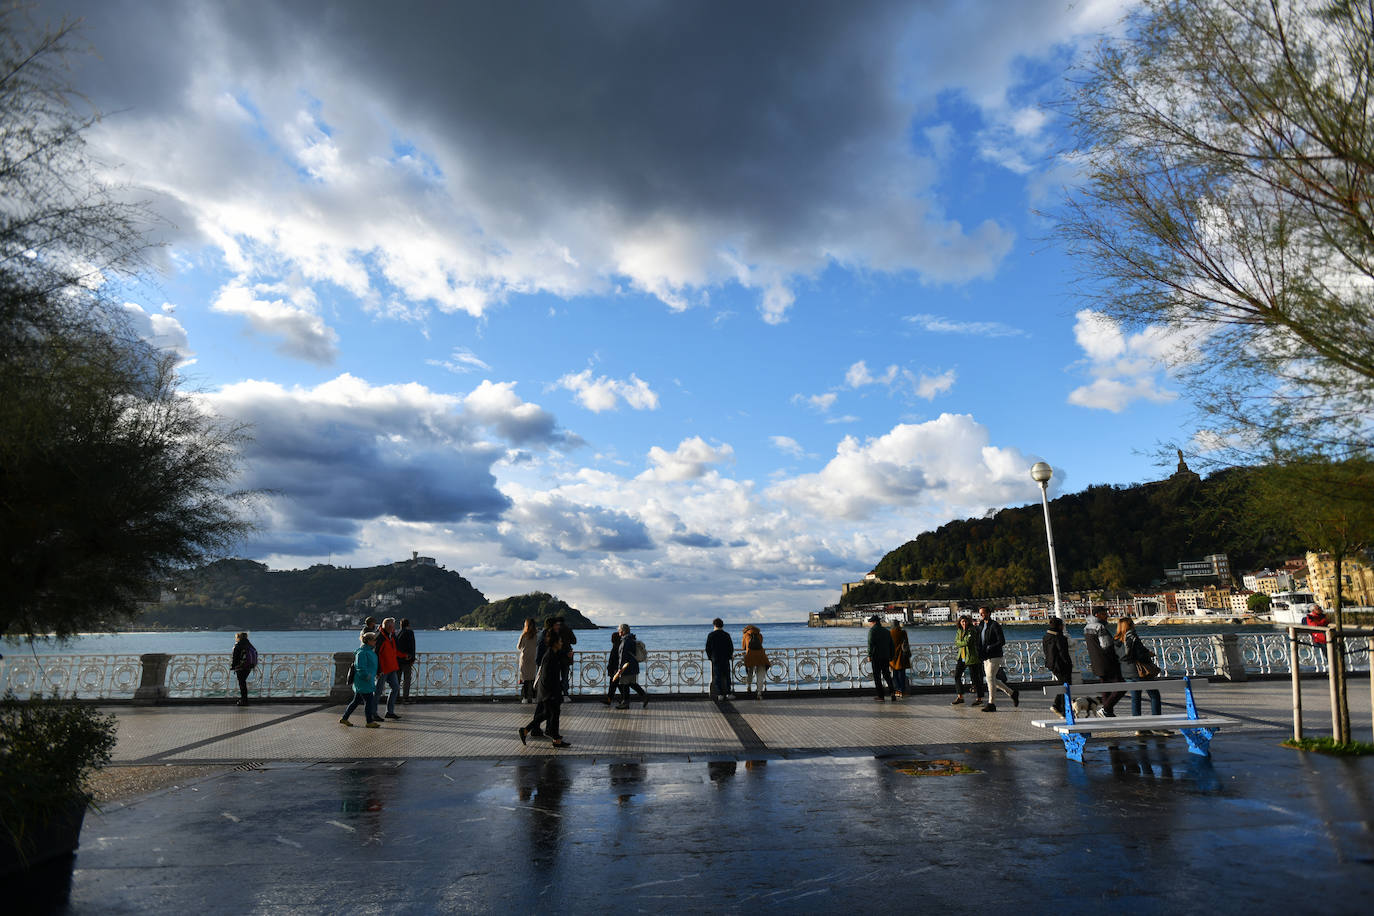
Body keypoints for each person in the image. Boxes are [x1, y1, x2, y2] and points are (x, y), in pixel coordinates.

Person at [520, 625, 570, 747]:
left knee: (549, 714)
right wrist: (551, 694)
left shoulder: (554, 653)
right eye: (560, 641)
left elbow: (561, 657)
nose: (561, 643)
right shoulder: (550, 657)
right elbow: (547, 677)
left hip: (549, 691)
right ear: (555, 643)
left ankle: (526, 730)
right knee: (553, 713)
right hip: (549, 691)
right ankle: (555, 738)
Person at [1117, 617, 1162, 725]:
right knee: (1154, 695)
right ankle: (1158, 724)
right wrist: (1149, 654)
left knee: (1135, 698)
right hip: (1138, 671)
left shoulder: (1116, 640)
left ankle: (1138, 726)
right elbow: (1139, 655)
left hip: (1126, 672)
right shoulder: (1133, 637)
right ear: (1130, 625)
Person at [1083, 606, 1125, 717]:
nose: (1106, 616)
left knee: (1105, 688)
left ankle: (1108, 712)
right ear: (1097, 615)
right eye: (1104, 614)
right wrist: (1117, 643)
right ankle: (1106, 709)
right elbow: (1106, 645)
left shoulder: (1086, 628)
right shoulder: (1100, 627)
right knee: (1122, 686)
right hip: (1108, 662)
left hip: (1096, 663)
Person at [976, 607, 1019, 712]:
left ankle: (991, 703)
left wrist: (990, 647)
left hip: (995, 655)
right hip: (985, 656)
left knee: (990, 678)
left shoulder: (995, 625)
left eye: (983, 613)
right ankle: (1012, 693)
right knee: (991, 679)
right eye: (980, 613)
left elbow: (1002, 641)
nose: (981, 615)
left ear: (988, 613)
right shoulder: (981, 625)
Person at [340, 632, 382, 727]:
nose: (376, 641)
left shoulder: (368, 651)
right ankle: (369, 722)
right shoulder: (362, 653)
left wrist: (376, 674)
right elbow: (360, 667)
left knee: (356, 701)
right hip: (363, 681)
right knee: (369, 701)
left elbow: (371, 666)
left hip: (366, 680)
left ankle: (344, 718)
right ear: (368, 641)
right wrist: (367, 676)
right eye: (374, 640)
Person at [612, 623, 649, 708]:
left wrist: (620, 668)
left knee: (625, 684)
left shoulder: (625, 641)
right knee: (632, 683)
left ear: (623, 631)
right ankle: (644, 696)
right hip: (633, 666)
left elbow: (623, 656)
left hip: (627, 667)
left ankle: (625, 703)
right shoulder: (631, 639)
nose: (618, 632)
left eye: (619, 630)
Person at [951, 615, 985, 706]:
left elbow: (967, 642)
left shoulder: (972, 630)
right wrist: (960, 642)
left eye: (965, 621)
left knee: (975, 678)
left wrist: (960, 642)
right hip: (961, 656)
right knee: (957, 676)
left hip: (971, 657)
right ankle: (960, 697)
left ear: (968, 622)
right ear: (960, 622)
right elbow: (956, 642)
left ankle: (979, 698)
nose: (964, 623)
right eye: (962, 622)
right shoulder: (959, 631)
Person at [1042, 617, 1073, 716]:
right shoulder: (1059, 637)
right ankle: (1063, 709)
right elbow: (1063, 653)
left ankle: (1057, 705)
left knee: (1062, 685)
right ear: (1059, 626)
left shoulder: (1046, 636)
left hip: (1052, 665)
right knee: (1066, 686)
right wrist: (1068, 664)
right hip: (1062, 665)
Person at [374, 617, 402, 719]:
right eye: (392, 626)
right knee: (378, 691)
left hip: (391, 667)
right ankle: (373, 713)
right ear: (388, 627)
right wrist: (378, 670)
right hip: (383, 669)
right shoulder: (380, 637)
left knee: (395, 688)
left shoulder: (391, 636)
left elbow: (395, 650)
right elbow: (376, 654)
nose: (393, 628)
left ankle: (389, 712)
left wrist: (404, 656)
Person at [866, 616, 895, 702]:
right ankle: (892, 693)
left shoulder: (872, 631)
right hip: (885, 656)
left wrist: (869, 655)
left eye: (870, 622)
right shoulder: (886, 631)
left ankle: (881, 696)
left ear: (874, 622)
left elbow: (870, 644)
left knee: (877, 676)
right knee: (887, 675)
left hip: (876, 656)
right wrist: (891, 656)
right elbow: (891, 645)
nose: (870, 624)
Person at [705, 618, 735, 701]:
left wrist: (710, 657)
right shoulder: (726, 635)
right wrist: (729, 656)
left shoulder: (711, 635)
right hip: (725, 658)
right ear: (722, 625)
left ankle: (720, 694)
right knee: (727, 676)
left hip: (716, 658)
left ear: (714, 625)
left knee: (717, 676)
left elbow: (707, 648)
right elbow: (731, 647)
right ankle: (728, 693)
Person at [741, 624, 770, 700]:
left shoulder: (745, 635)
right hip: (761, 656)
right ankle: (759, 693)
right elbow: (760, 644)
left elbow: (743, 647)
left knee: (750, 671)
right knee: (760, 675)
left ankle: (749, 687)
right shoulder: (760, 635)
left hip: (750, 656)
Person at [229, 632, 257, 706]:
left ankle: (244, 700)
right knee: (243, 683)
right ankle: (244, 699)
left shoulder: (238, 645)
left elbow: (235, 657)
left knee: (242, 684)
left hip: (240, 667)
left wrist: (233, 666)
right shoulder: (249, 645)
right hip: (249, 666)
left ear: (238, 637)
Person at [517, 618, 539, 703]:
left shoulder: (523, 635)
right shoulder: (537, 635)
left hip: (524, 659)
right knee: (533, 679)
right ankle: (534, 697)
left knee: (525, 679)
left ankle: (525, 698)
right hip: (533, 658)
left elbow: (519, 647)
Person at [396, 618, 416, 704]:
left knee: (397, 679)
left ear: (400, 625)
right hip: (407, 659)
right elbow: (412, 646)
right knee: (407, 679)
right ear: (408, 625)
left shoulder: (396, 633)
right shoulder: (410, 632)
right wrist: (412, 658)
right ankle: (405, 697)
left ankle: (396, 697)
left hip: (397, 660)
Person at [889, 620, 911, 700]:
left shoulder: (890, 633)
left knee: (895, 675)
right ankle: (902, 691)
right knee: (902, 674)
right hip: (902, 657)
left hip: (892, 656)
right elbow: (906, 644)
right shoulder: (903, 632)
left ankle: (897, 690)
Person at [601, 630, 623, 706]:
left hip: (615, 669)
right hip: (617, 669)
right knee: (615, 684)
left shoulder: (616, 646)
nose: (611, 639)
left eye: (612, 637)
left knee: (614, 684)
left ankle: (612, 699)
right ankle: (611, 699)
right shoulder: (619, 646)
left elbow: (613, 659)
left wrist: (610, 668)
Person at [558, 617, 578, 701]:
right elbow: (574, 641)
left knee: (555, 676)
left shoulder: (555, 630)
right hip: (567, 655)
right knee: (565, 676)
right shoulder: (568, 629)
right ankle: (565, 695)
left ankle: (556, 694)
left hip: (557, 655)